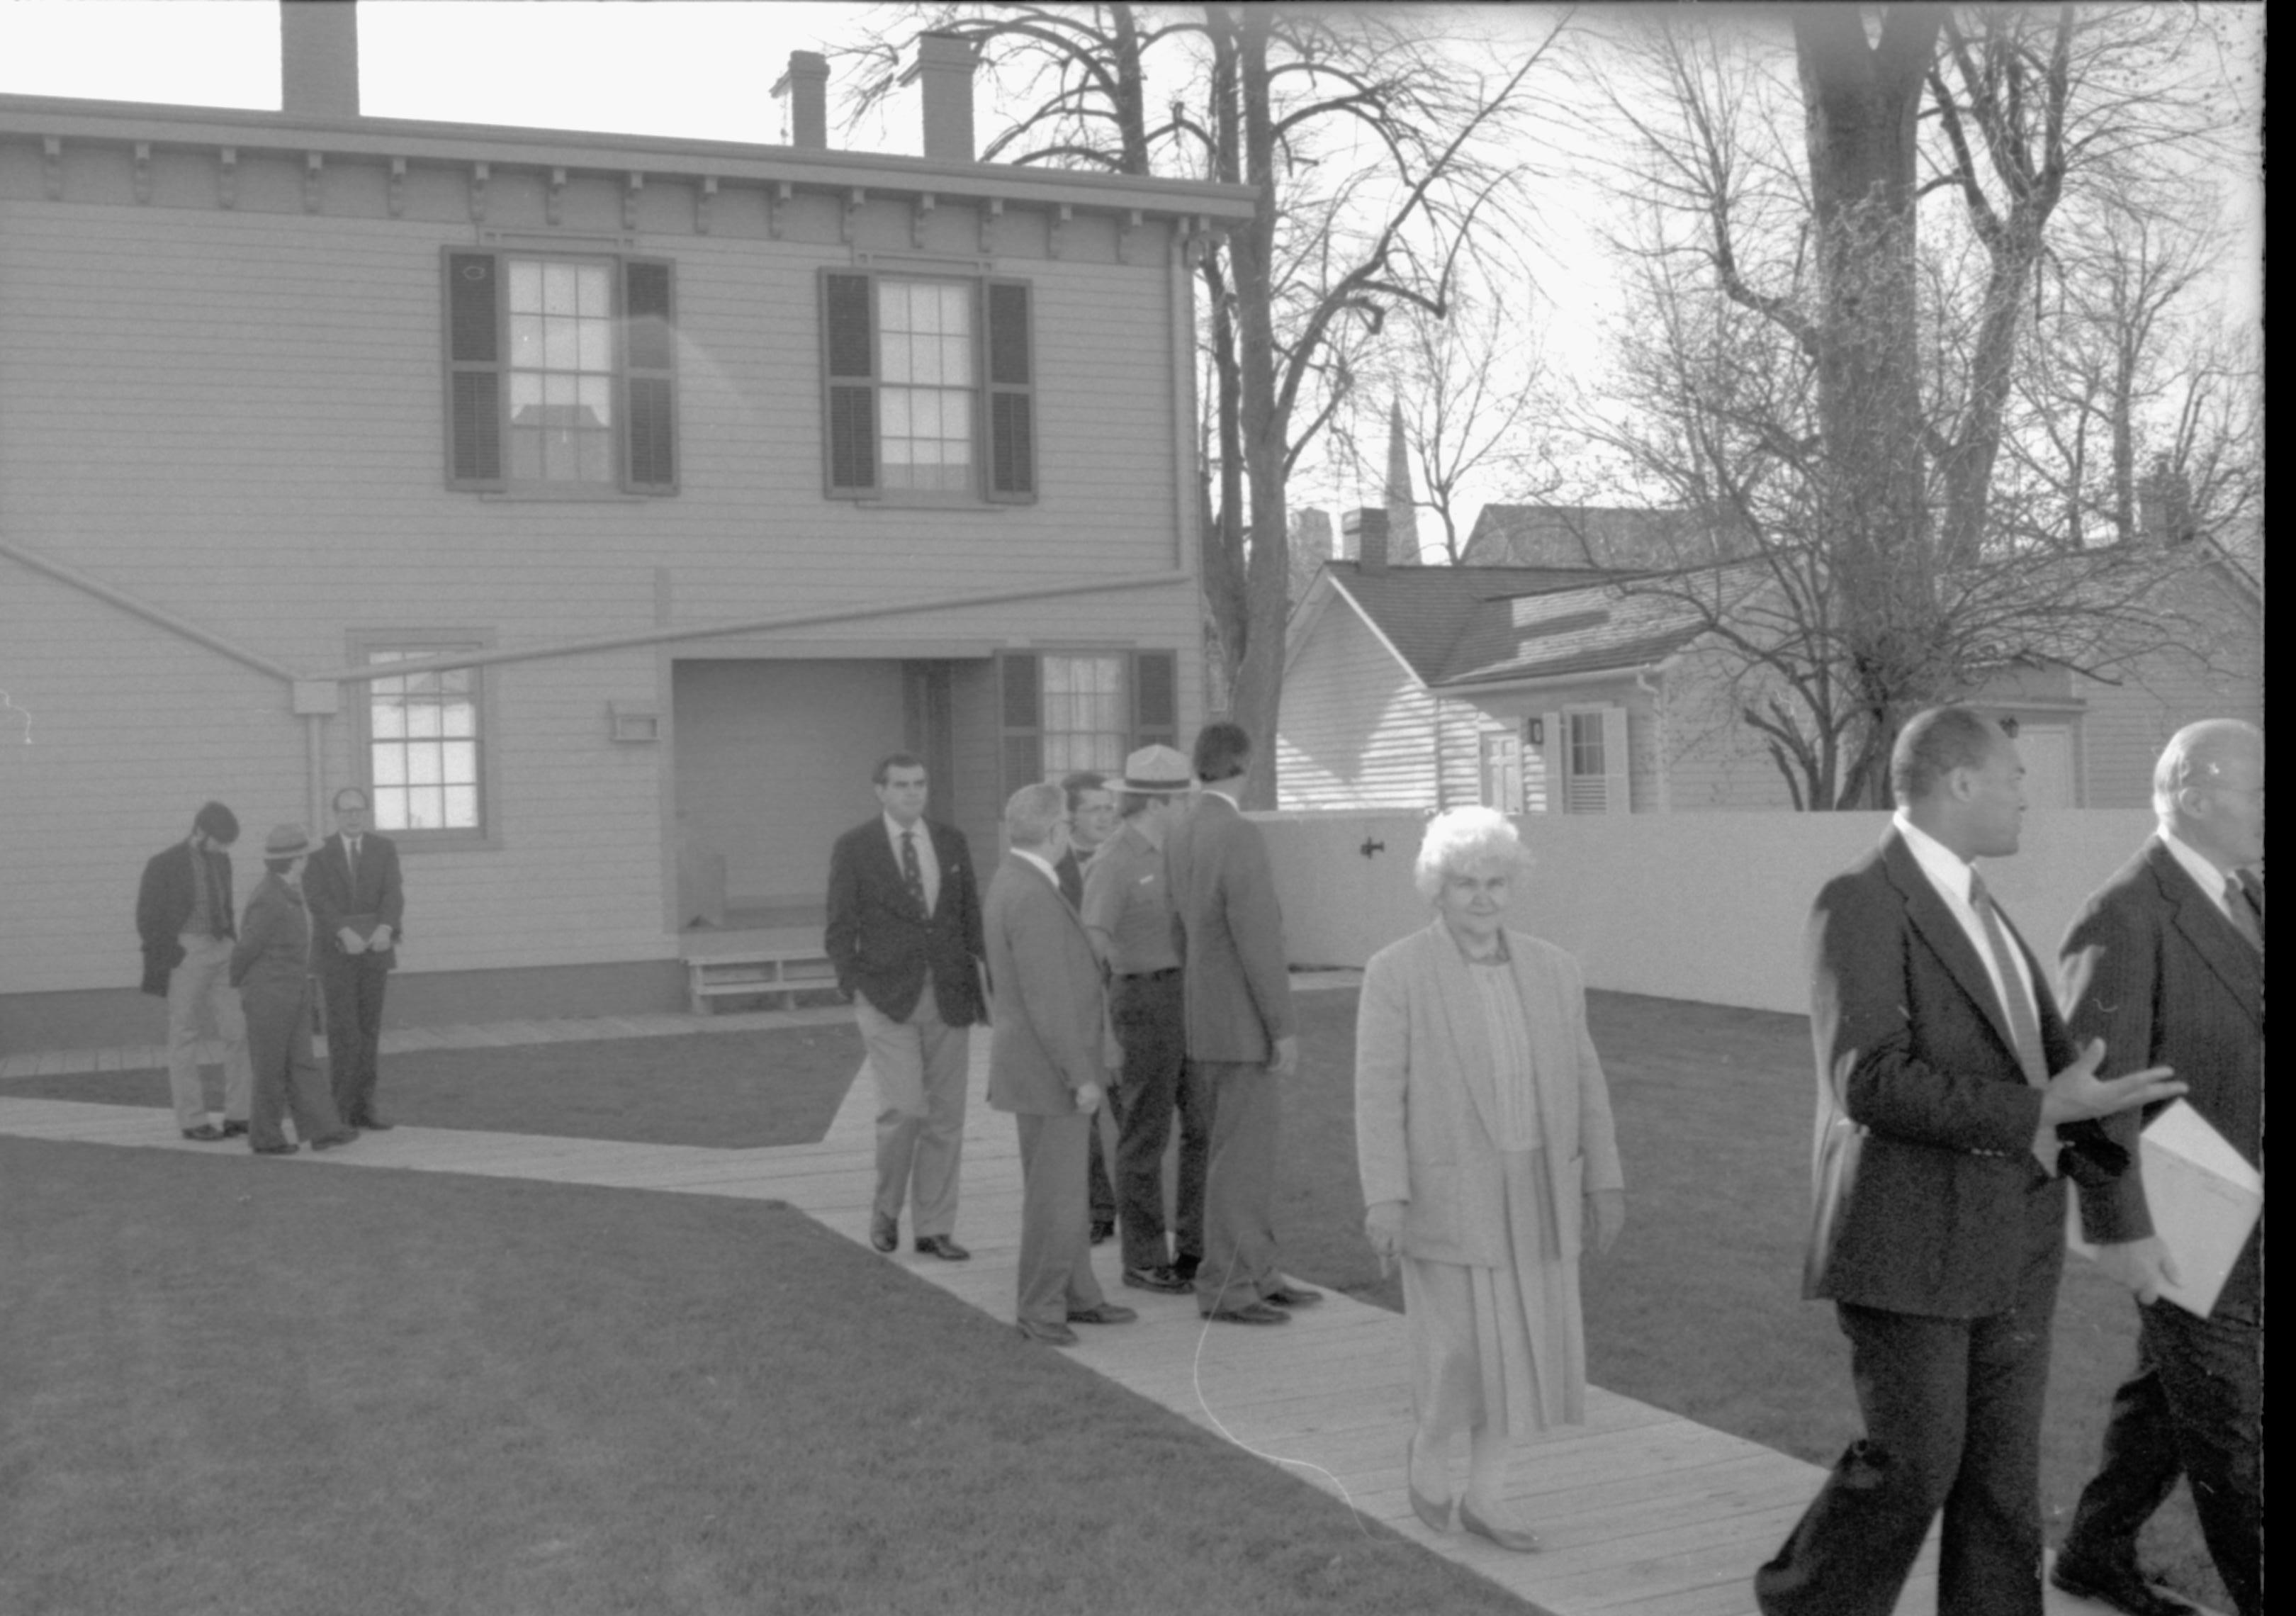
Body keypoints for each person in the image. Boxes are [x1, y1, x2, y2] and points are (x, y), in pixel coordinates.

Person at [1755, 706, 2185, 1616]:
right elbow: (1866, 1079)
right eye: (2016, 777)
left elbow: (2042, 1061)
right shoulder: (1862, 899)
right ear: (1958, 782)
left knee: (2000, 1481)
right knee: (1916, 1463)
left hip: (2012, 1232)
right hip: (1911, 1236)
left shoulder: (1977, 901)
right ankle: (1805, 1603)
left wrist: (2090, 1110)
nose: (2029, 795)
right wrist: (2041, 1105)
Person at [1356, 808, 1626, 1552]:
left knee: (1524, 1351)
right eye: (1466, 883)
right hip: (1447, 1191)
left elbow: (1586, 1081)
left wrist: (1604, 1180)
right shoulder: (1397, 973)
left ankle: (1488, 1496)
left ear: (1515, 887)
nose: (1483, 897)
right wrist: (1385, 1195)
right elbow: (1378, 1095)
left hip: (1537, 1188)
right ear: (1436, 891)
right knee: (1462, 1352)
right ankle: (1428, 1444)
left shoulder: (1554, 969)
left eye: (1496, 883)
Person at [2049, 720, 2263, 1616]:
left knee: (2167, 1402)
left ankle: (2093, 1552)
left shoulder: (2245, 893)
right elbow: (2096, 1100)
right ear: (2195, 791)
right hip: (2181, 1210)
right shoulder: (2126, 912)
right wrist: (2122, 1229)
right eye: (2259, 791)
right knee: (2236, 1432)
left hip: (2244, 1199)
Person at [1164, 721, 1317, 1325]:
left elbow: (1178, 929)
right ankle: (1229, 1285)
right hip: (1245, 1024)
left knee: (1235, 1153)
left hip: (1207, 1015)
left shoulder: (1180, 830)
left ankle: (1257, 1271)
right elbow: (1259, 942)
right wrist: (1282, 1026)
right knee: (1241, 1160)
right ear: (1245, 766)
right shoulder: (1239, 834)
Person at [983, 782, 1139, 1346]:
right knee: (1055, 1198)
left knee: (1065, 1192)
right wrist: (1081, 1077)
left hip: (1036, 1067)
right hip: (1049, 1073)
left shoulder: (1018, 881)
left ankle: (1078, 1295)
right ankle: (1041, 1308)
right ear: (1054, 832)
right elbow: (1048, 1001)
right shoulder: (1030, 893)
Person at [824, 753, 989, 1262]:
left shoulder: (951, 841)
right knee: (904, 1109)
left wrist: (984, 982)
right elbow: (838, 927)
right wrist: (855, 985)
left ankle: (935, 1227)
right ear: (880, 791)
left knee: (945, 1118)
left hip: (948, 997)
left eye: (920, 783)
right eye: (901, 785)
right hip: (886, 998)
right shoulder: (855, 847)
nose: (913, 793)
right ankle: (886, 1209)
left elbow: (969, 920)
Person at [1081, 744, 1212, 1296]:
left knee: (1203, 1126)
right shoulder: (1113, 862)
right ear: (1159, 803)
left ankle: (1194, 1247)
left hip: (1189, 997)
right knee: (1145, 1135)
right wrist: (1105, 1037)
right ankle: (1141, 1259)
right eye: (1184, 799)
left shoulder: (1179, 851)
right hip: (1140, 1003)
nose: (1190, 807)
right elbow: (1090, 954)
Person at [230, 824, 359, 1157]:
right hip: (269, 995)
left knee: (302, 1062)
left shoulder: (286, 892)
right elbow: (247, 948)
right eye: (305, 856)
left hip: (291, 991)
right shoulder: (270, 898)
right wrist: (243, 984)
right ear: (295, 860)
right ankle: (266, 1137)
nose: (308, 861)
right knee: (270, 1067)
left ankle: (323, 1130)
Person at [135, 800, 255, 1142]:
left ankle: (240, 1114)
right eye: (218, 840)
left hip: (223, 949)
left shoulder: (222, 859)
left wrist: (232, 940)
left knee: (238, 1031)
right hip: (187, 952)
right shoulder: (164, 864)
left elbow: (225, 905)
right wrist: (175, 951)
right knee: (185, 1035)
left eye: (227, 843)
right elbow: (147, 917)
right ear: (199, 831)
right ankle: (192, 1120)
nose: (222, 848)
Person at [302, 785, 405, 1130]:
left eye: (358, 809)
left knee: (368, 1031)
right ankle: (341, 1112)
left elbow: (393, 893)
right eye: (346, 810)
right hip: (337, 955)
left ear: (367, 812)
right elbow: (316, 898)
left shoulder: (384, 849)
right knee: (345, 1033)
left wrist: (386, 928)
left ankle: (365, 1108)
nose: (353, 816)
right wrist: (342, 932)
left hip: (375, 952)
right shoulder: (320, 853)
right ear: (336, 815)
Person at [1055, 768, 1122, 1244]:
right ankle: (1099, 1210)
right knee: (1087, 1111)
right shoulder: (1052, 869)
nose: (1105, 816)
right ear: (1070, 815)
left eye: (1108, 807)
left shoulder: (1128, 856)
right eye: (1094, 808)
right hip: (1079, 1005)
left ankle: (1146, 1211)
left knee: (1137, 1111)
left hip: (1132, 998)